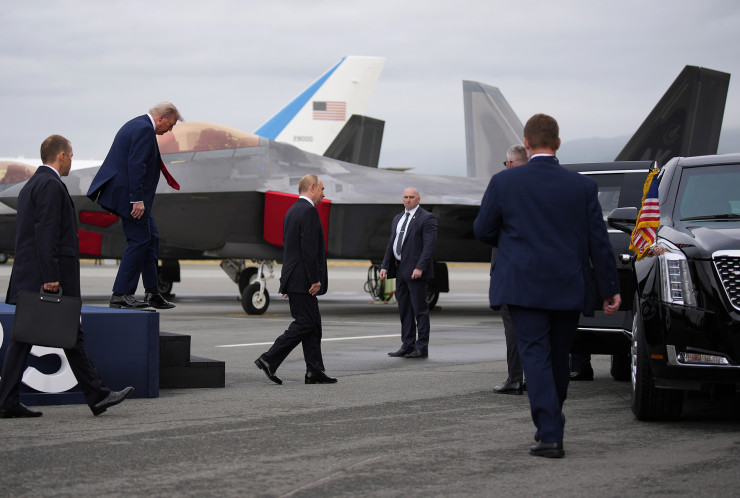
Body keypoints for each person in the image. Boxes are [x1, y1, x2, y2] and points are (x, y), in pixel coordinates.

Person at [473, 114, 620, 458]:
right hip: (568, 285)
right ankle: (552, 421)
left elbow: (483, 229)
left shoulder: (505, 182)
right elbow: (599, 242)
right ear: (558, 143)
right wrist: (609, 287)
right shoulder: (582, 186)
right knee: (557, 357)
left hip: (522, 285)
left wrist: (513, 243)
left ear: (526, 143)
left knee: (535, 356)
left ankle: (550, 433)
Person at [0, 135, 133, 418]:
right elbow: (46, 233)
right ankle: (97, 395)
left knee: (29, 339)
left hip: (30, 278)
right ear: (61, 156)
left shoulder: (31, 185)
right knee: (66, 334)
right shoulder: (50, 185)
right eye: (71, 156)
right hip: (45, 279)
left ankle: (8, 401)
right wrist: (51, 276)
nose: (71, 160)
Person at [87, 102, 183, 310]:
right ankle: (121, 294)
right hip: (130, 198)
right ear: (161, 118)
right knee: (139, 240)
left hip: (131, 196)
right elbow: (136, 165)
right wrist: (136, 199)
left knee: (151, 237)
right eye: (171, 125)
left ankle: (152, 292)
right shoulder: (143, 129)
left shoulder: (138, 125)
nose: (170, 130)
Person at [254, 174, 337, 385]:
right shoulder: (309, 211)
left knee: (313, 324)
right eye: (322, 189)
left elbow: (289, 249)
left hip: (296, 278)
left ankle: (314, 371)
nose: (323, 194)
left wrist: (286, 281)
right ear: (312, 187)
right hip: (304, 280)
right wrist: (314, 279)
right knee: (305, 322)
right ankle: (269, 358)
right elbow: (309, 249)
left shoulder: (292, 211)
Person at [380, 187, 438, 358]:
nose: (408, 200)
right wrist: (384, 266)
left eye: (411, 197)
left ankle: (422, 347)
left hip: (416, 271)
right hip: (400, 269)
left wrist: (420, 267)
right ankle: (408, 344)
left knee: (420, 310)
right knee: (405, 309)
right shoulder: (398, 218)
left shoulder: (427, 218)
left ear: (418, 199)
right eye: (405, 197)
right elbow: (392, 243)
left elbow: (429, 246)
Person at [493, 144, 529, 395]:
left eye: (507, 163)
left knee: (513, 329)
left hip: (511, 271)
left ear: (513, 163)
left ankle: (515, 379)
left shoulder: (507, 191)